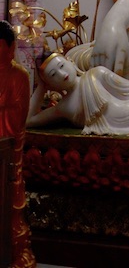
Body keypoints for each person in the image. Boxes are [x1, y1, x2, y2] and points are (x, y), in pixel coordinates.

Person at [0, 20, 35, 268]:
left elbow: (18, 115)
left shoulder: (19, 76)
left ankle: (14, 252)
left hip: (7, 148)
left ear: (11, 47)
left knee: (9, 199)